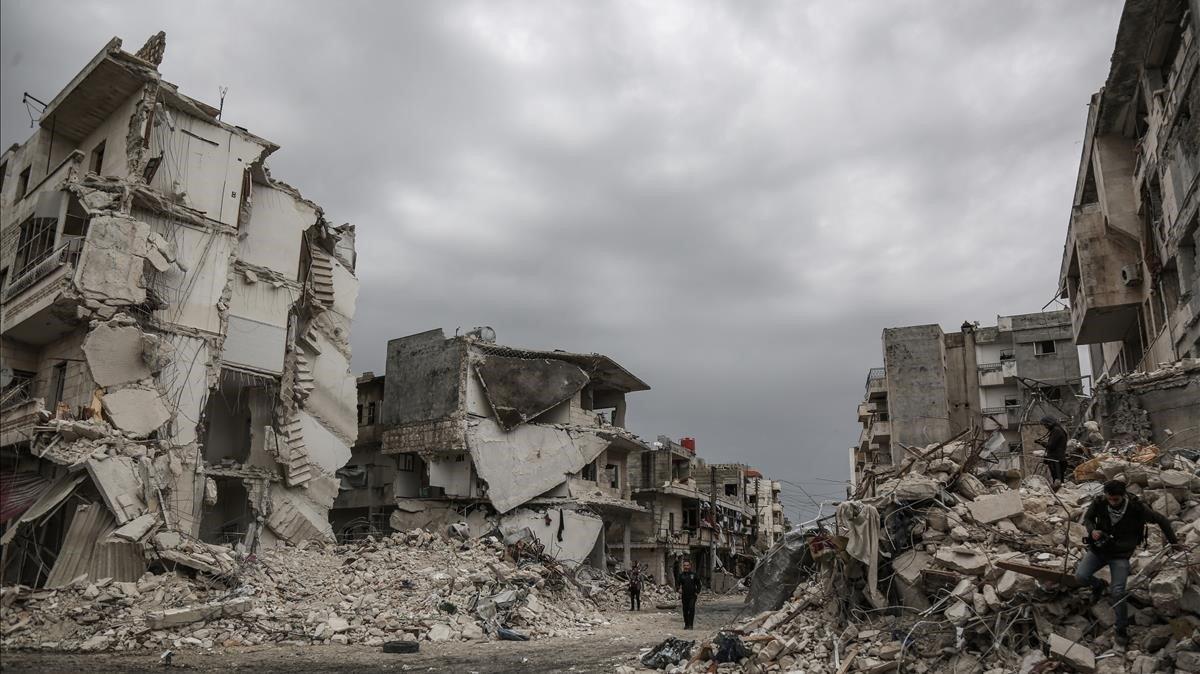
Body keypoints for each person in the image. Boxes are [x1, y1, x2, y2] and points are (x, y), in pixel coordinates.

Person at [1076, 480, 1179, 645]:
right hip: (1098, 550)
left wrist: (1174, 543)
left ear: (1123, 496)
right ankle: (1098, 586)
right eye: (1109, 499)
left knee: (1118, 592)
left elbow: (1162, 520)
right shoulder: (1100, 502)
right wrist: (1092, 531)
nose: (1112, 502)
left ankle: (1121, 628)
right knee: (1080, 577)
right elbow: (1087, 518)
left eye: (1115, 500)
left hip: (1120, 555)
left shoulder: (1136, 508)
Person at [1035, 416, 1068, 487]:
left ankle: (1058, 492)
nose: (1045, 427)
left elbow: (1051, 446)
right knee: (1059, 479)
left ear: (1049, 423)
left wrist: (1041, 443)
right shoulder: (1058, 430)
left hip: (1056, 459)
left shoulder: (1056, 430)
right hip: (1058, 458)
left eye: (1045, 425)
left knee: (1057, 480)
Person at [676, 560, 701, 630]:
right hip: (684, 596)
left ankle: (691, 625)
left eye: (687, 565)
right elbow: (677, 584)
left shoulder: (694, 574)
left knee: (691, 609)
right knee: (685, 610)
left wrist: (697, 592)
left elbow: (699, 584)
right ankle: (686, 624)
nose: (686, 567)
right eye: (684, 565)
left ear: (690, 566)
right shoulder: (681, 575)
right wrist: (678, 589)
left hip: (692, 595)